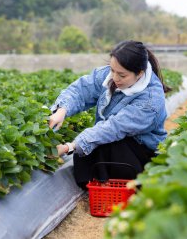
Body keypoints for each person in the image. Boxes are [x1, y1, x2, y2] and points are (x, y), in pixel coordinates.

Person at [49, 40, 170, 189]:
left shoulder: (150, 100)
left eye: (122, 75)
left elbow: (115, 128)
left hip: (140, 151)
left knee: (105, 145)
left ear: (139, 73)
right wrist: (61, 110)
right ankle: (99, 185)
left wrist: (68, 147)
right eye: (112, 70)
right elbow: (81, 90)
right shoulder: (110, 74)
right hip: (114, 138)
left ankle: (122, 187)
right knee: (87, 151)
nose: (115, 78)